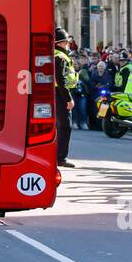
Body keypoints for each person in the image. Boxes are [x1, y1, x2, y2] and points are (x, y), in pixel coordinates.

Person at [54, 28, 77, 168]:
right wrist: (69, 99)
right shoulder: (61, 57)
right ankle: (61, 157)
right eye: (67, 42)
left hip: (57, 93)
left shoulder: (56, 54)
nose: (68, 44)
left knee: (59, 126)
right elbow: (61, 79)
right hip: (61, 94)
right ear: (61, 43)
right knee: (65, 127)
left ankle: (58, 156)